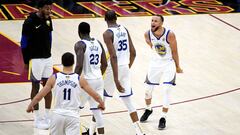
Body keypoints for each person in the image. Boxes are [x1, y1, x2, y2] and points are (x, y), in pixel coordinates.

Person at [26, 52, 105, 135]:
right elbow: (94, 94)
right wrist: (101, 103)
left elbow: (40, 96)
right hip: (73, 116)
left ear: (62, 63)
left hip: (58, 115)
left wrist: (30, 105)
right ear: (74, 63)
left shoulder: (54, 78)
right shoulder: (79, 79)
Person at [103, 10, 145, 135]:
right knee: (129, 102)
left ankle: (92, 130)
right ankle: (139, 132)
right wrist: (127, 68)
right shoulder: (124, 29)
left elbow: (113, 57)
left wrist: (116, 79)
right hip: (125, 66)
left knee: (101, 100)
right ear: (116, 18)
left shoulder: (107, 34)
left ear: (105, 19)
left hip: (113, 69)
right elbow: (134, 53)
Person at [140, 15, 183, 130]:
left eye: (156, 21)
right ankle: (148, 109)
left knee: (167, 90)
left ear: (161, 23)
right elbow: (152, 47)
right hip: (155, 63)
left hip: (168, 63)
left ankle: (163, 117)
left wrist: (177, 66)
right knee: (147, 90)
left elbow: (175, 51)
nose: (153, 22)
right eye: (152, 20)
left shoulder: (170, 34)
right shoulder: (147, 34)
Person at [20, 0, 53, 129]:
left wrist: (49, 52)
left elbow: (50, 37)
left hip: (47, 58)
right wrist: (25, 62)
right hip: (35, 60)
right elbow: (23, 43)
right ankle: (37, 118)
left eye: (50, 9)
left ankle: (48, 116)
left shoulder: (49, 19)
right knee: (35, 87)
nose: (49, 11)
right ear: (39, 8)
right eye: (46, 9)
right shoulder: (29, 22)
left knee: (48, 87)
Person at [74, 22, 108, 135]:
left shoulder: (80, 44)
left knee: (75, 109)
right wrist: (98, 75)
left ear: (79, 32)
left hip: (86, 81)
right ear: (89, 31)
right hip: (98, 79)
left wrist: (73, 80)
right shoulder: (98, 42)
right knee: (97, 112)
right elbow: (104, 64)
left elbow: (78, 65)